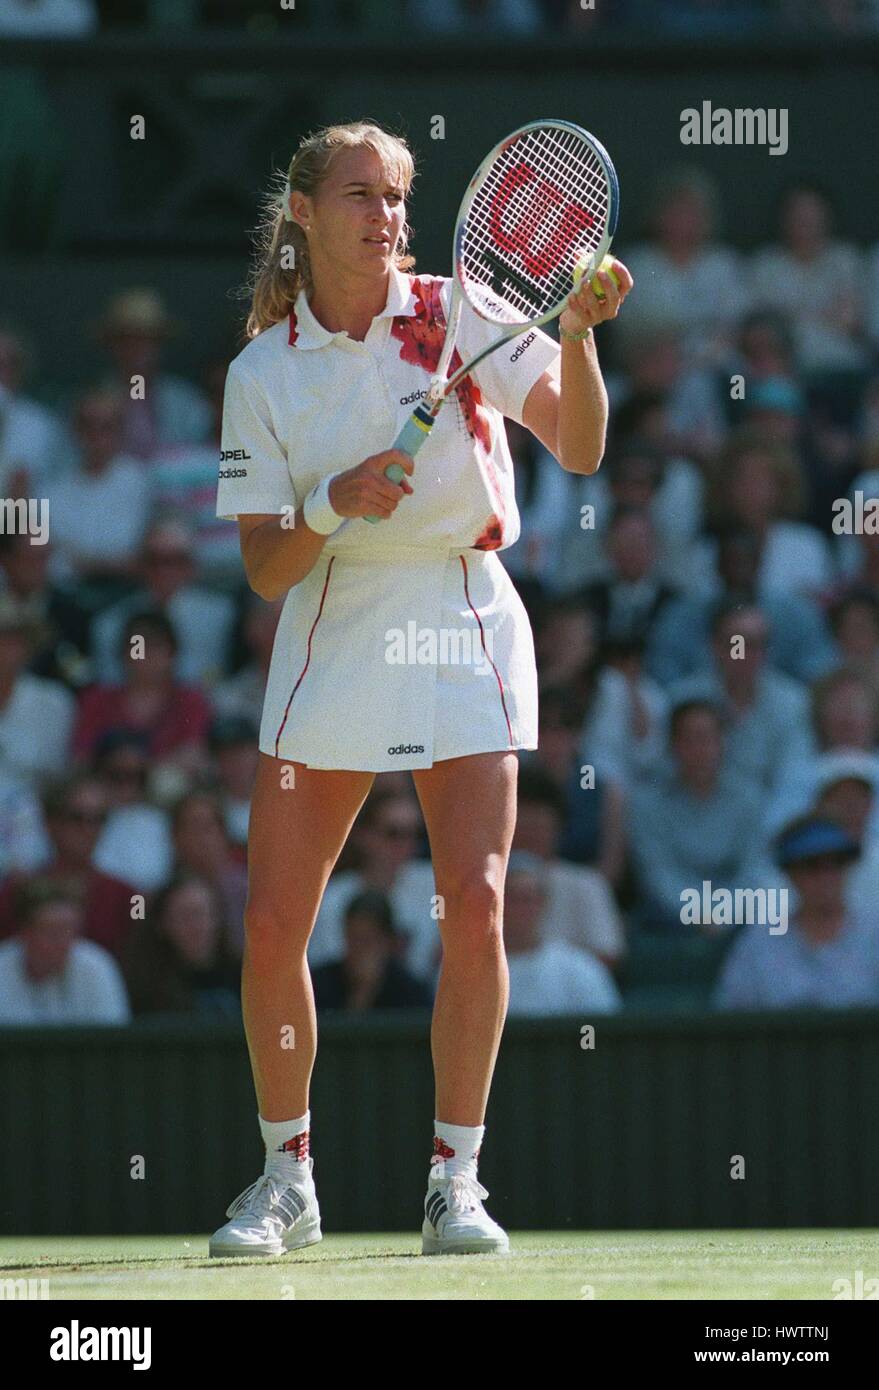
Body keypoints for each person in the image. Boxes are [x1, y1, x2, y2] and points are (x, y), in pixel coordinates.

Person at [208, 120, 632, 1260]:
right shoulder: (262, 372)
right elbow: (263, 565)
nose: (386, 217)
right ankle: (286, 1176)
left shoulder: (467, 311)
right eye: (359, 195)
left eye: (397, 197)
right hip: (332, 617)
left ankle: (458, 1178)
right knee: (271, 920)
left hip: (462, 614)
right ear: (301, 212)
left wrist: (581, 338)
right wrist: (339, 500)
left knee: (478, 901)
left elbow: (580, 447)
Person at [714, 815, 879, 1010]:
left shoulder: (873, 933)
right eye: (812, 866)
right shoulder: (762, 941)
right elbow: (731, 1014)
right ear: (789, 873)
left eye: (837, 863)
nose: (826, 877)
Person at [502, 852, 622, 1016]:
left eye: (527, 898)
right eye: (511, 898)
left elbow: (596, 1035)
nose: (520, 908)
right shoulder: (475, 972)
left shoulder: (579, 968)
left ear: (542, 903)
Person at [0, 878, 130, 1026]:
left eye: (71, 930)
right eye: (53, 932)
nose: (65, 942)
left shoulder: (97, 965)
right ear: (25, 933)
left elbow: (113, 1038)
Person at [311, 889, 434, 1013]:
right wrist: (362, 992)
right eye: (353, 938)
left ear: (387, 941)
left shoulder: (412, 991)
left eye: (367, 941)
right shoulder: (319, 984)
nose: (359, 948)